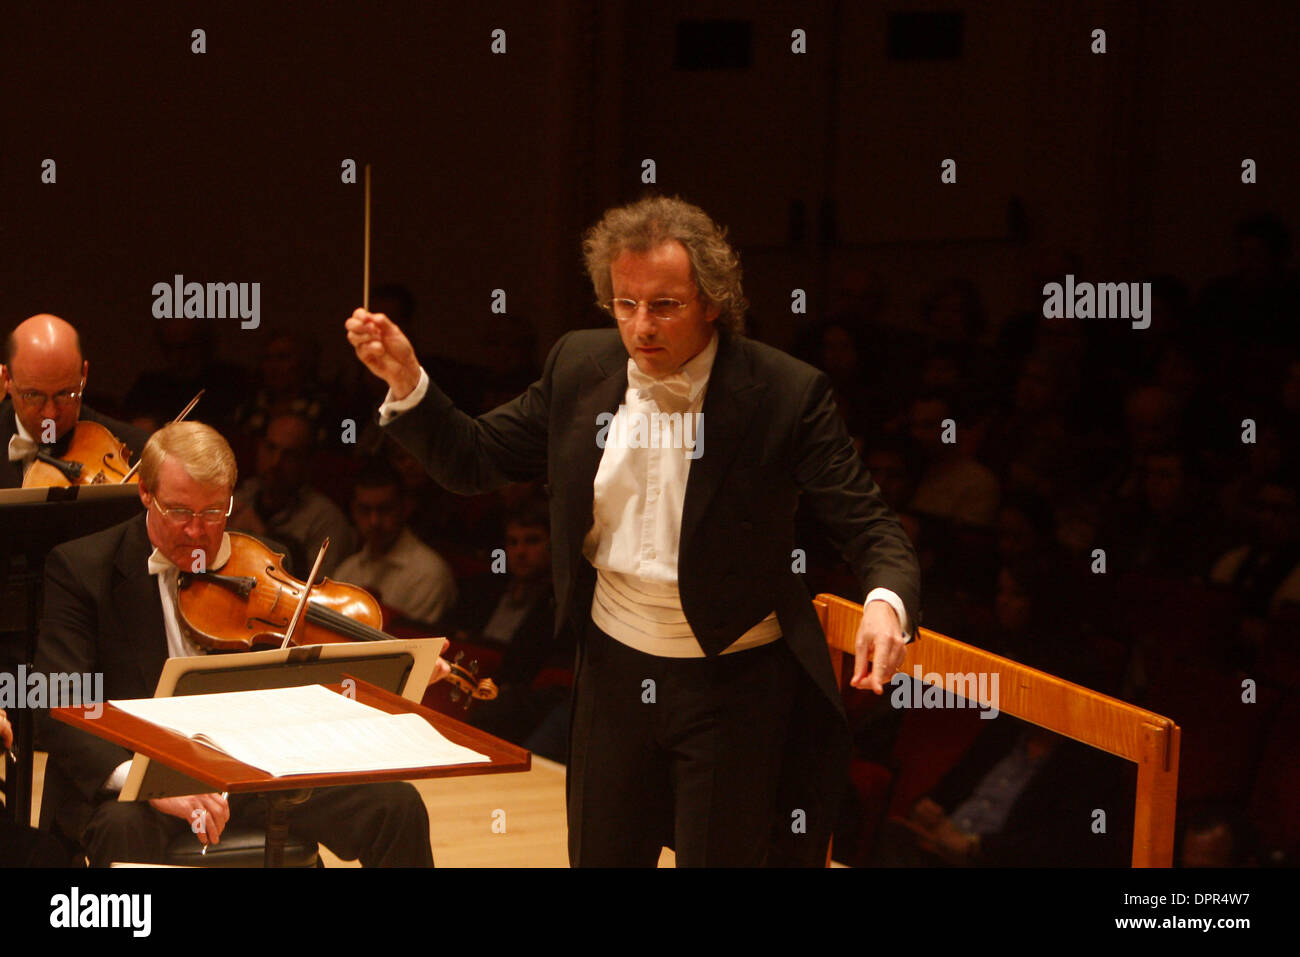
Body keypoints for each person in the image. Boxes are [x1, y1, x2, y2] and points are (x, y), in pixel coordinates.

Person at [347, 195, 921, 866]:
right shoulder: (579, 365)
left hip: (732, 682)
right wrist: (408, 379)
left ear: (712, 300)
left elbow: (869, 521)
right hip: (614, 672)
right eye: (626, 304)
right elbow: (473, 457)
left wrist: (886, 601)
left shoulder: (784, 393)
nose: (641, 326)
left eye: (665, 305)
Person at [33, 421, 433, 867]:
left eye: (213, 512)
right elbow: (57, 702)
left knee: (397, 807)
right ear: (145, 493)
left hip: (251, 772)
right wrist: (145, 783)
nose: (197, 532)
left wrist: (394, 664)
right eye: (180, 512)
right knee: (122, 829)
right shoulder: (82, 568)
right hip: (142, 775)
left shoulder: (263, 563)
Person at [1, 314, 151, 487]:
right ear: (7, 379)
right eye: (33, 395)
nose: (50, 414)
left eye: (65, 394)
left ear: (84, 375)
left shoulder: (140, 454)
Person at [229, 411, 357, 577]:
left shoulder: (327, 521)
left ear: (307, 462)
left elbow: (318, 594)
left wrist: (262, 536)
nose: (275, 462)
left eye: (289, 455)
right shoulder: (241, 496)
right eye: (271, 448)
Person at [334, 458, 458, 624]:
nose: (374, 521)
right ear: (353, 511)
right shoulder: (346, 571)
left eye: (384, 509)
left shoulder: (429, 574)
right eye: (365, 510)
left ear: (405, 507)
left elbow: (417, 645)